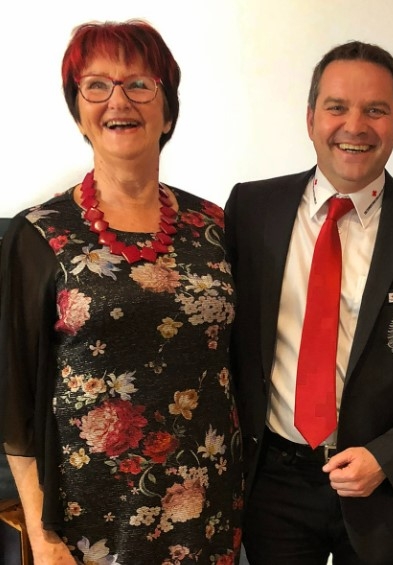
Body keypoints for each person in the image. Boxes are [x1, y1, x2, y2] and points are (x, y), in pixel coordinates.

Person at [224, 41, 393, 564]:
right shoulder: (250, 209)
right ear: (311, 118)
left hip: (382, 487)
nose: (355, 126)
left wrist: (386, 458)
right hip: (273, 482)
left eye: (375, 110)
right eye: (337, 107)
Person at [0, 20, 243, 564]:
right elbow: (14, 400)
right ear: (78, 111)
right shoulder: (38, 234)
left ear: (168, 110)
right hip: (87, 520)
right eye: (96, 85)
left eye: (139, 84)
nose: (118, 100)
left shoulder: (215, 225)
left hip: (206, 503)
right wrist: (42, 534)